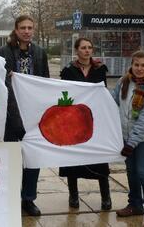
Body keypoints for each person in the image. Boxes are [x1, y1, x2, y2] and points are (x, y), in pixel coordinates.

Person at [0, 15, 49, 216]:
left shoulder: (40, 53)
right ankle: (8, 197)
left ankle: (28, 199)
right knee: (11, 158)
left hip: (33, 114)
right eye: (23, 27)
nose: (27, 31)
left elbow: (46, 82)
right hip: (9, 115)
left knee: (33, 158)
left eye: (30, 28)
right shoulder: (1, 54)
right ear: (16, 30)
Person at [58, 37, 112, 210]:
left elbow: (103, 92)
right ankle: (73, 195)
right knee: (73, 159)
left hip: (96, 119)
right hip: (75, 120)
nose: (87, 50)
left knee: (100, 158)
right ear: (76, 50)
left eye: (89, 47)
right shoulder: (68, 70)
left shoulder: (100, 68)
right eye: (83, 47)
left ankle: (106, 196)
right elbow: (64, 92)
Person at [112, 51, 144, 227]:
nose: (139, 68)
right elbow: (112, 103)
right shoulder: (123, 82)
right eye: (136, 65)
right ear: (131, 65)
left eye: (143, 65)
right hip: (125, 135)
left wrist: (131, 143)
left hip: (143, 138)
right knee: (131, 172)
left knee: (143, 173)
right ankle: (135, 205)